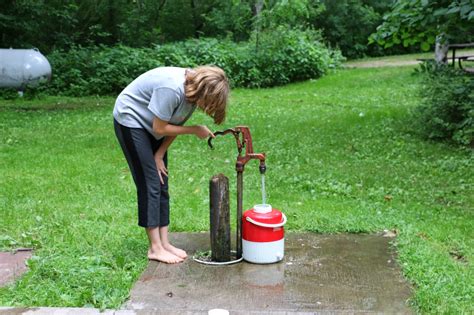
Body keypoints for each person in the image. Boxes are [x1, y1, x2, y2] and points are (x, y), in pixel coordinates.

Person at [113, 66, 229, 264]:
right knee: (150, 183)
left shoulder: (193, 94)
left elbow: (174, 123)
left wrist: (159, 154)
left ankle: (165, 243)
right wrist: (194, 129)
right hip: (131, 119)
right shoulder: (172, 89)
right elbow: (160, 127)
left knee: (161, 180)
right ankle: (155, 248)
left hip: (155, 123)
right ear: (204, 91)